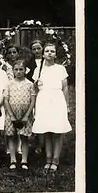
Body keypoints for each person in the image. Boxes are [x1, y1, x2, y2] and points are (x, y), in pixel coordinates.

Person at [31, 43, 72, 173]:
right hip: (43, 100)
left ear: (55, 54)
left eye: (52, 51)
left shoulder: (60, 68)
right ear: (43, 54)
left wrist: (67, 105)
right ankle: (48, 158)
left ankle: (55, 159)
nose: (49, 53)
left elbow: (65, 88)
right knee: (47, 130)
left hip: (57, 99)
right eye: (47, 51)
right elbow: (35, 88)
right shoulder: (39, 69)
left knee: (57, 131)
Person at [4, 60, 36, 171]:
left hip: (25, 114)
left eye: (21, 69)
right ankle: (13, 160)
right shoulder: (9, 84)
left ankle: (24, 160)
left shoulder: (30, 84)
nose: (18, 72)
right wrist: (11, 115)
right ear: (12, 71)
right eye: (16, 69)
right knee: (11, 137)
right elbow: (6, 100)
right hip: (11, 113)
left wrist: (27, 115)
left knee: (24, 137)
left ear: (25, 71)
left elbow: (32, 101)